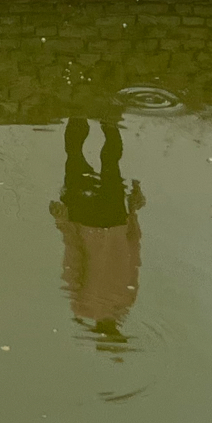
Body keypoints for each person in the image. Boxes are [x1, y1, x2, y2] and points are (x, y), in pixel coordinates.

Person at [50, 116, 143, 340]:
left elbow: (134, 251)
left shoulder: (127, 302)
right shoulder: (81, 307)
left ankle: (105, 118)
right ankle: (80, 113)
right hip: (87, 220)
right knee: (75, 157)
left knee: (109, 163)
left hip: (112, 220)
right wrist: (63, 222)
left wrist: (133, 211)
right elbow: (73, 261)